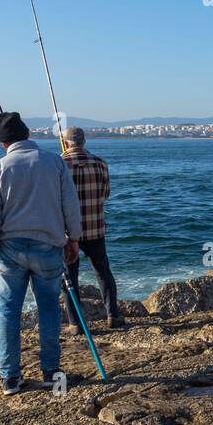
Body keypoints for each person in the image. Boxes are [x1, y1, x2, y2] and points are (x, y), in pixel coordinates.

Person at [0, 112, 82, 395]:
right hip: (48, 246)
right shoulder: (54, 163)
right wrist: (74, 239)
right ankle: (51, 372)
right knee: (48, 309)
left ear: (3, 144)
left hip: (9, 250)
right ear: (27, 135)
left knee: (9, 312)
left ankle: (10, 378)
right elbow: (70, 205)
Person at [59, 126, 124, 328]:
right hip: (95, 228)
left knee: (70, 278)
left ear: (66, 143)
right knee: (103, 271)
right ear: (84, 141)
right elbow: (105, 194)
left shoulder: (59, 164)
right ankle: (113, 315)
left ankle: (75, 323)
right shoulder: (100, 163)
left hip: (68, 233)